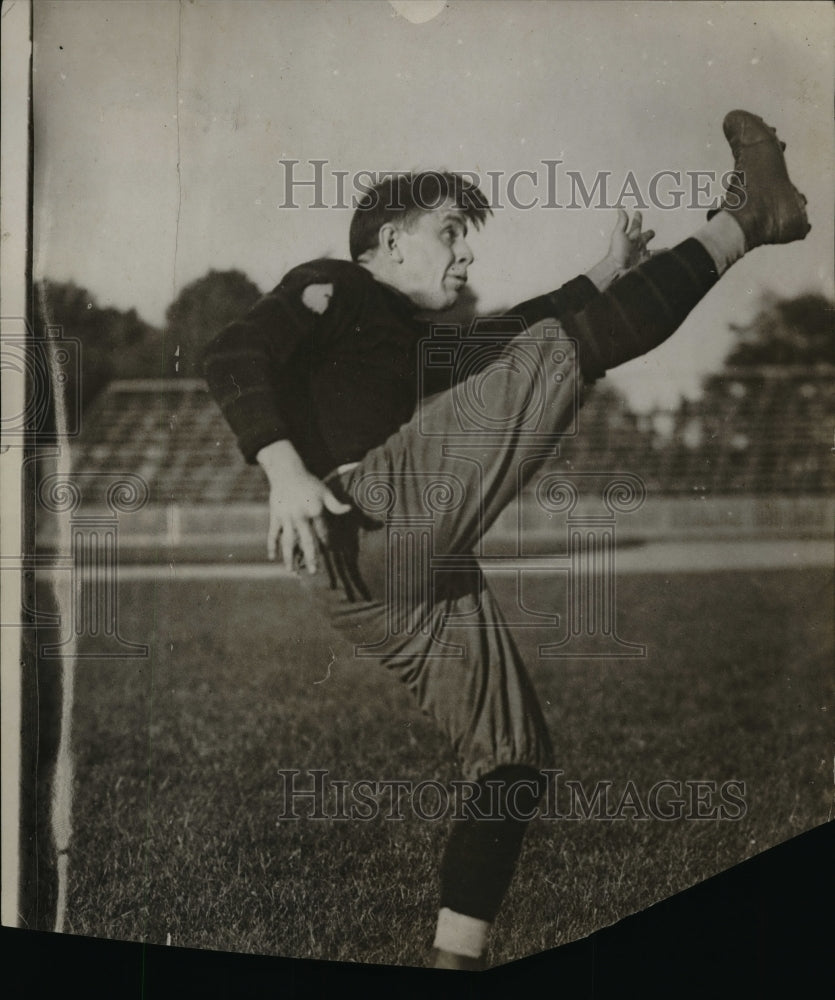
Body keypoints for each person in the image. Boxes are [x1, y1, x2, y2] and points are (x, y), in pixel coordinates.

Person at [203, 110, 809, 970]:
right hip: (364, 510)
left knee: (511, 760)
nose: (465, 253)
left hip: (373, 585)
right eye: (449, 232)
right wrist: (283, 470)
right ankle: (751, 216)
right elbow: (232, 350)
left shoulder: (415, 342)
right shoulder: (333, 283)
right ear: (385, 243)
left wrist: (605, 270)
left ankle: (456, 961)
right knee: (559, 356)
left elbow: (516, 334)